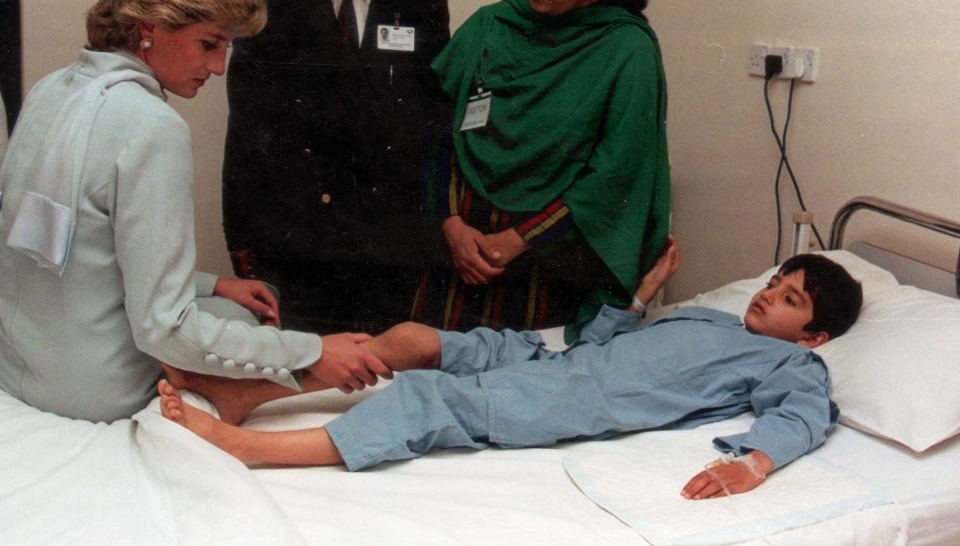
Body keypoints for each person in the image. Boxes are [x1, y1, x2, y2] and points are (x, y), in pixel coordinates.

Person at [0, 0, 390, 424]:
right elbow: (166, 330)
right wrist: (313, 351)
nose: (221, 66)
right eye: (209, 44)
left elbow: (74, 248)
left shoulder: (51, 89)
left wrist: (210, 284)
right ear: (149, 28)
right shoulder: (151, 125)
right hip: (97, 394)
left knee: (227, 304)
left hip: (19, 369)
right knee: (246, 320)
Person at [159, 244, 864, 499]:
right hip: (557, 357)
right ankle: (250, 393)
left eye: (790, 299)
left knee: (432, 402)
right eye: (777, 280)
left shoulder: (790, 363)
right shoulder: (715, 318)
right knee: (414, 340)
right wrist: (644, 294)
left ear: (815, 334)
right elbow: (611, 338)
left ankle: (248, 447)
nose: (769, 295)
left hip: (571, 399)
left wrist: (756, 464)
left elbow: (802, 415)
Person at [411, 0, 670, 341]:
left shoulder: (626, 50)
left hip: (550, 268)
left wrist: (516, 241)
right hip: (460, 259)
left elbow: (614, 177)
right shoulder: (490, 26)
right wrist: (452, 226)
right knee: (427, 374)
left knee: (523, 390)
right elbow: (438, 131)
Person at [223, 0, 451, 335]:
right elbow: (245, 134)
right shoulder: (266, 5)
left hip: (392, 250)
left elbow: (435, 135)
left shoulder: (423, 7)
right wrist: (241, 238)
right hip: (298, 246)